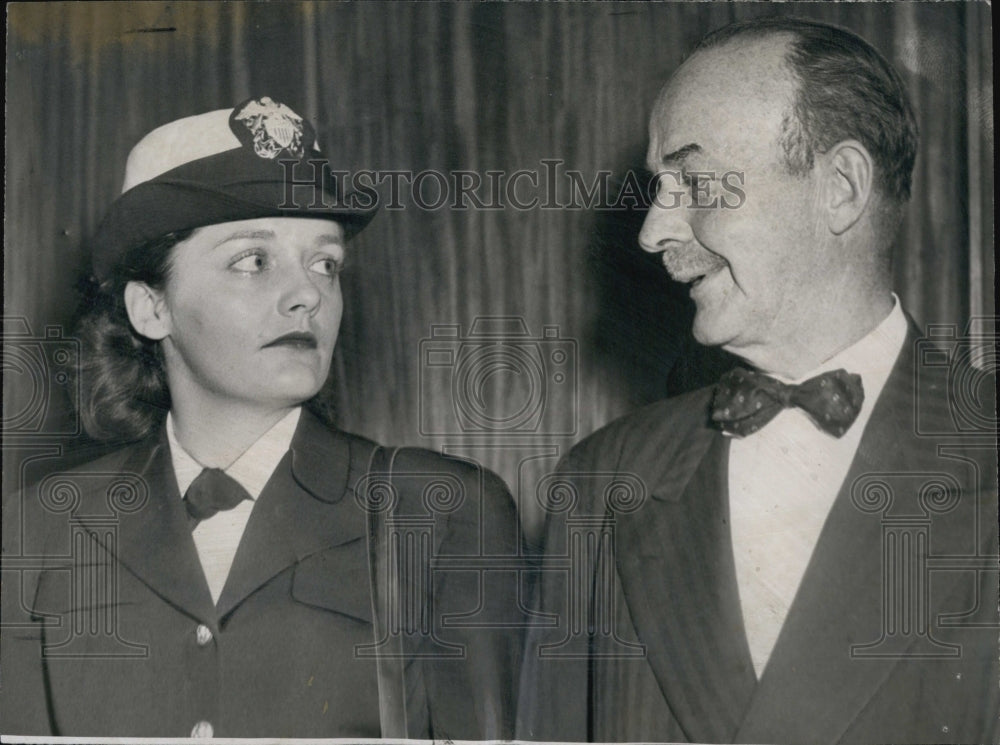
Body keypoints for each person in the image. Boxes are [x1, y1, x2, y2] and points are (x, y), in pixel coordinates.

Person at [518, 17, 998, 744]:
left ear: (840, 187)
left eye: (696, 182)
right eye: (660, 186)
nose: (652, 232)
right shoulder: (602, 482)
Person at [0, 96, 523, 739]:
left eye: (325, 263)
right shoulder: (38, 527)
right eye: (253, 260)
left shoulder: (440, 511)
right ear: (150, 308)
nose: (308, 293)